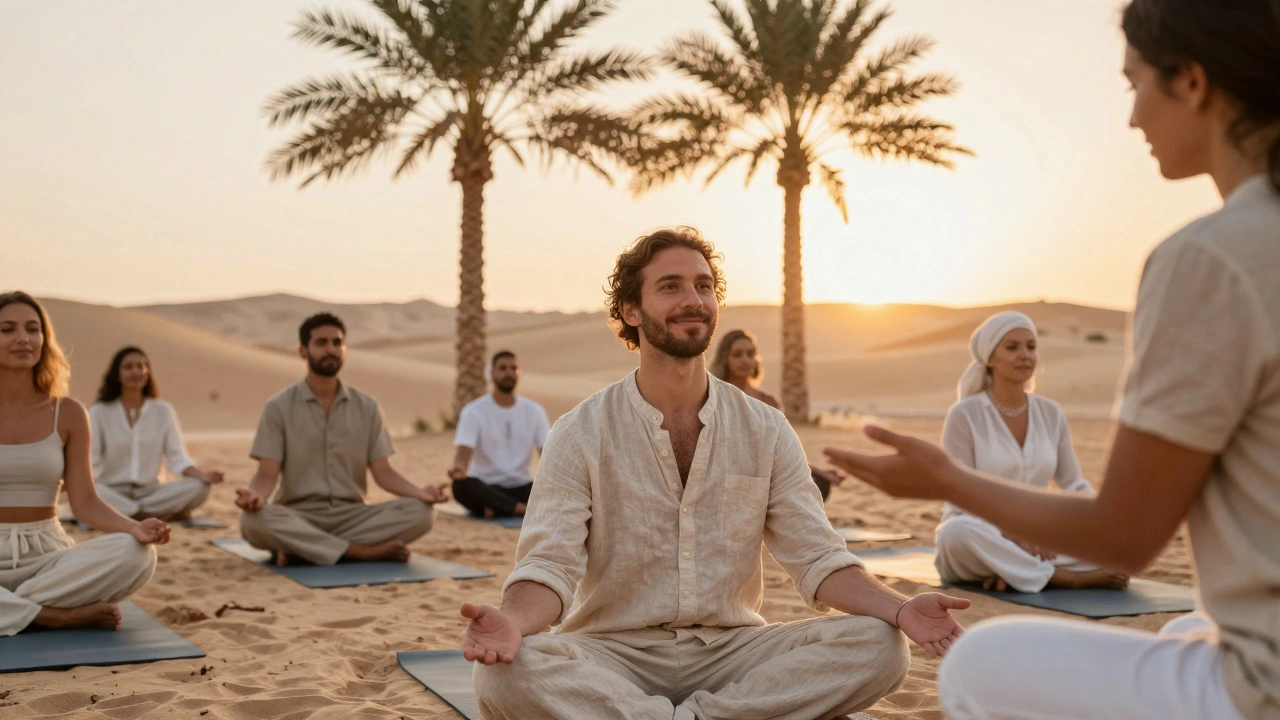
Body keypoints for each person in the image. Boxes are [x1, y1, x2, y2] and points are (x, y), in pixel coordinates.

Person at [824, 2, 1280, 717]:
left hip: (1264, 684)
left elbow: (1124, 537)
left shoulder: (1210, 258)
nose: (1131, 117)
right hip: (1067, 566)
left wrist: (943, 479)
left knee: (979, 662)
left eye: (1135, 84)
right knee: (1195, 624)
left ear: (1192, 82)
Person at [458, 228, 969, 720]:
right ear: (631, 311)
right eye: (671, 286)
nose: (693, 300)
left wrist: (901, 609)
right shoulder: (580, 432)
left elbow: (818, 556)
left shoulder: (764, 427)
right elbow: (549, 566)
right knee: (505, 674)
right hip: (612, 654)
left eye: (704, 286)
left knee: (881, 645)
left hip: (735, 651)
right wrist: (514, 622)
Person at [0, 291, 168, 636]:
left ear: (44, 340)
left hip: (47, 559)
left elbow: (85, 502)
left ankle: (12, 608)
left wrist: (132, 528)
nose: (22, 338)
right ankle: (52, 616)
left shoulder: (69, 413)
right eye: (7, 329)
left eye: (33, 329)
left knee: (137, 554)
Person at [933, 312, 1129, 593]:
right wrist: (1010, 533)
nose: (1025, 355)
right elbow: (959, 494)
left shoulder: (1051, 413)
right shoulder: (965, 414)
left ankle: (1012, 573)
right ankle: (1062, 578)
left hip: (1039, 535)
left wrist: (1098, 521)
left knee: (1116, 543)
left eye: (1031, 346)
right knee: (956, 534)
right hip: (981, 531)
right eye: (1012, 347)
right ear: (990, 357)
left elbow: (1072, 483)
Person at [234, 312, 446, 566]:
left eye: (337, 342)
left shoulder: (367, 406)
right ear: (303, 351)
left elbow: (383, 473)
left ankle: (306, 548)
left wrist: (420, 493)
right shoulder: (278, 407)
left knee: (422, 513)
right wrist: (256, 496)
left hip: (354, 516)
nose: (331, 349)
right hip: (298, 514)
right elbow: (267, 474)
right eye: (321, 343)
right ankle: (358, 552)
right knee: (252, 521)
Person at [709, 328, 846, 500]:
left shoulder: (769, 402)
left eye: (750, 354)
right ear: (725, 359)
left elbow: (784, 451)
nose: (745, 360)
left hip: (769, 474)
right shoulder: (714, 397)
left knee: (818, 484)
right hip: (728, 475)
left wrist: (816, 470)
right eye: (737, 354)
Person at [90, 346, 223, 522]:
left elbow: (177, 458)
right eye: (128, 367)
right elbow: (90, 460)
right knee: (91, 490)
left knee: (200, 486)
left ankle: (132, 514)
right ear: (116, 374)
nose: (136, 372)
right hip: (112, 492)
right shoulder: (99, 412)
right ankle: (154, 516)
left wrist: (202, 475)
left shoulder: (163, 411)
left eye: (141, 366)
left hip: (152, 493)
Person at [447, 351, 550, 518]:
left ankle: (498, 508)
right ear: (491, 373)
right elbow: (463, 454)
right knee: (461, 486)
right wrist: (458, 469)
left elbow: (547, 454)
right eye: (502, 368)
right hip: (486, 487)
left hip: (522, 487)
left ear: (519, 372)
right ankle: (522, 510)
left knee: (555, 485)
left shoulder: (535, 411)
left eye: (513, 368)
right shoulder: (474, 411)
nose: (508, 373)